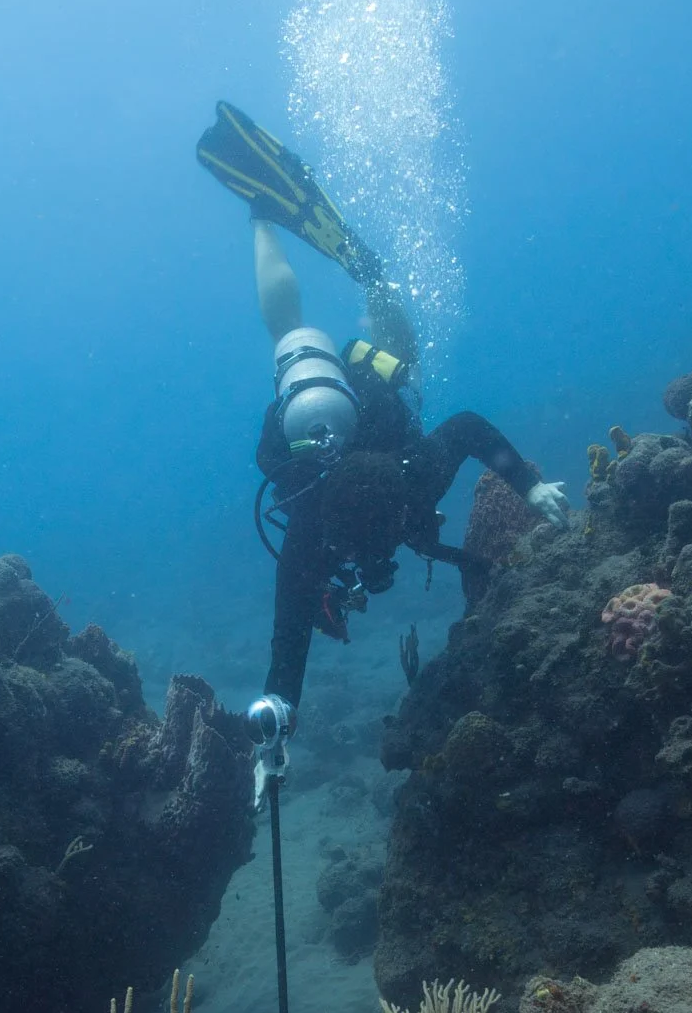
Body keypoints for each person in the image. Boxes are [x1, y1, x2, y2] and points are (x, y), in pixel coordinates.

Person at [196, 101, 570, 714]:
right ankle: (317, 250)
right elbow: (470, 426)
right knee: (302, 335)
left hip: (343, 398)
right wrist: (527, 486)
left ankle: (284, 235)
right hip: (355, 392)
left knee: (315, 337)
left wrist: (277, 709)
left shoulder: (316, 527)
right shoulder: (400, 483)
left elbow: (288, 637)